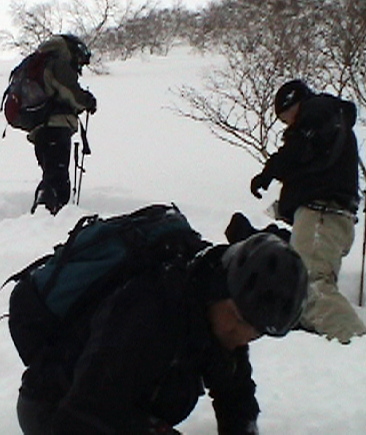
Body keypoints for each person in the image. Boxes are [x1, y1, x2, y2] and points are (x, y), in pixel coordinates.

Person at [16, 231, 308, 435]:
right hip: (54, 405)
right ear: (221, 287)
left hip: (121, 409)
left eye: (255, 333)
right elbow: (80, 416)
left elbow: (235, 393)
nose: (241, 336)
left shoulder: (216, 310)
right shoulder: (150, 309)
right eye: (237, 319)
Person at [250, 79, 366, 343]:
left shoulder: (318, 110)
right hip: (328, 217)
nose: (289, 125)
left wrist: (270, 172)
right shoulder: (329, 120)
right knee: (309, 285)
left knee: (311, 285)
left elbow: (297, 150)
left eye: (286, 118)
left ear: (294, 103)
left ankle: (355, 343)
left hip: (322, 215)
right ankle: (332, 345)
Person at [29, 34, 97, 215]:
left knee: (52, 175)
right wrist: (87, 101)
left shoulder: (44, 62)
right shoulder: (59, 62)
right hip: (56, 128)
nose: (79, 66)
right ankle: (48, 215)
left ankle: (46, 213)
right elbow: (70, 92)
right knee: (57, 179)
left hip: (40, 130)